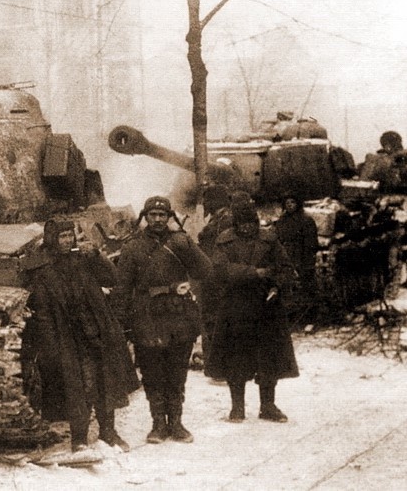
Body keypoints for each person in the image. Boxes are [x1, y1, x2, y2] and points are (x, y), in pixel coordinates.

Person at [24, 218, 139, 453]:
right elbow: (43, 313)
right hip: (69, 338)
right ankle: (79, 438)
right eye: (62, 236)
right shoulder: (43, 271)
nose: (67, 241)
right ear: (52, 239)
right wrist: (51, 347)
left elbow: (112, 279)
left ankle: (108, 432)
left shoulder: (85, 260)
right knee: (80, 389)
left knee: (105, 381)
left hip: (97, 331)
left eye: (70, 235)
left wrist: (97, 255)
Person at [115, 196, 212, 444]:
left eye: (162, 215)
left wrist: (186, 244)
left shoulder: (180, 241)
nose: (158, 219)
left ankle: (176, 423)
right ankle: (158, 424)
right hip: (147, 316)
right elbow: (123, 288)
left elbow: (205, 271)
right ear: (145, 217)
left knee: (177, 372)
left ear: (169, 217)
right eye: (153, 215)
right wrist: (122, 322)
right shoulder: (132, 247)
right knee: (152, 372)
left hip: (179, 315)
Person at [205, 201, 299, 424]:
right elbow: (220, 270)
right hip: (236, 306)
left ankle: (268, 406)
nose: (247, 227)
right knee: (235, 358)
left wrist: (276, 286)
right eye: (242, 223)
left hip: (267, 306)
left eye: (251, 223)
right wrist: (254, 273)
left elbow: (286, 268)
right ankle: (237, 407)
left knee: (269, 358)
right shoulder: (224, 241)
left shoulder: (270, 239)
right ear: (236, 224)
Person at [196, 184, 233, 363]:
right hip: (218, 275)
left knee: (214, 317)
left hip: (217, 277)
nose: (205, 203)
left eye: (207, 200)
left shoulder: (223, 222)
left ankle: (215, 358)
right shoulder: (222, 219)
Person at [273, 191, 320, 322]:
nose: (289, 205)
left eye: (292, 202)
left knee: (306, 285)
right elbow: (277, 239)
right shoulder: (282, 221)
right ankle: (291, 316)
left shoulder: (306, 220)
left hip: (302, 256)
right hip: (286, 256)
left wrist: (307, 260)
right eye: (287, 203)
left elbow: (312, 244)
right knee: (288, 286)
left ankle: (309, 316)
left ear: (298, 203)